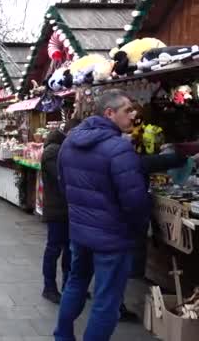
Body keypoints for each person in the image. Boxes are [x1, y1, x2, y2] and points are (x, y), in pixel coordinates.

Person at [54, 89, 150, 341]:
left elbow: (63, 185)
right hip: (113, 238)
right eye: (127, 110)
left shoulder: (69, 142)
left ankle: (62, 336)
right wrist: (139, 230)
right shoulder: (119, 149)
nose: (132, 115)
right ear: (109, 113)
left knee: (76, 283)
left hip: (80, 231)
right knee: (106, 299)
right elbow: (135, 201)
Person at [39, 119, 81, 304]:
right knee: (54, 249)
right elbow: (63, 179)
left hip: (68, 209)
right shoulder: (52, 152)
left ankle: (68, 285)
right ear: (69, 132)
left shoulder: (64, 150)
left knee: (69, 250)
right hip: (57, 210)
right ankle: (49, 287)